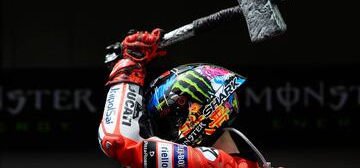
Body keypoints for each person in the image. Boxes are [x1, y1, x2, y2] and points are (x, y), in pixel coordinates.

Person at [98, 29, 261, 168]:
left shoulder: (212, 162)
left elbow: (117, 142)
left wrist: (129, 67)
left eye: (165, 123)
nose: (161, 137)